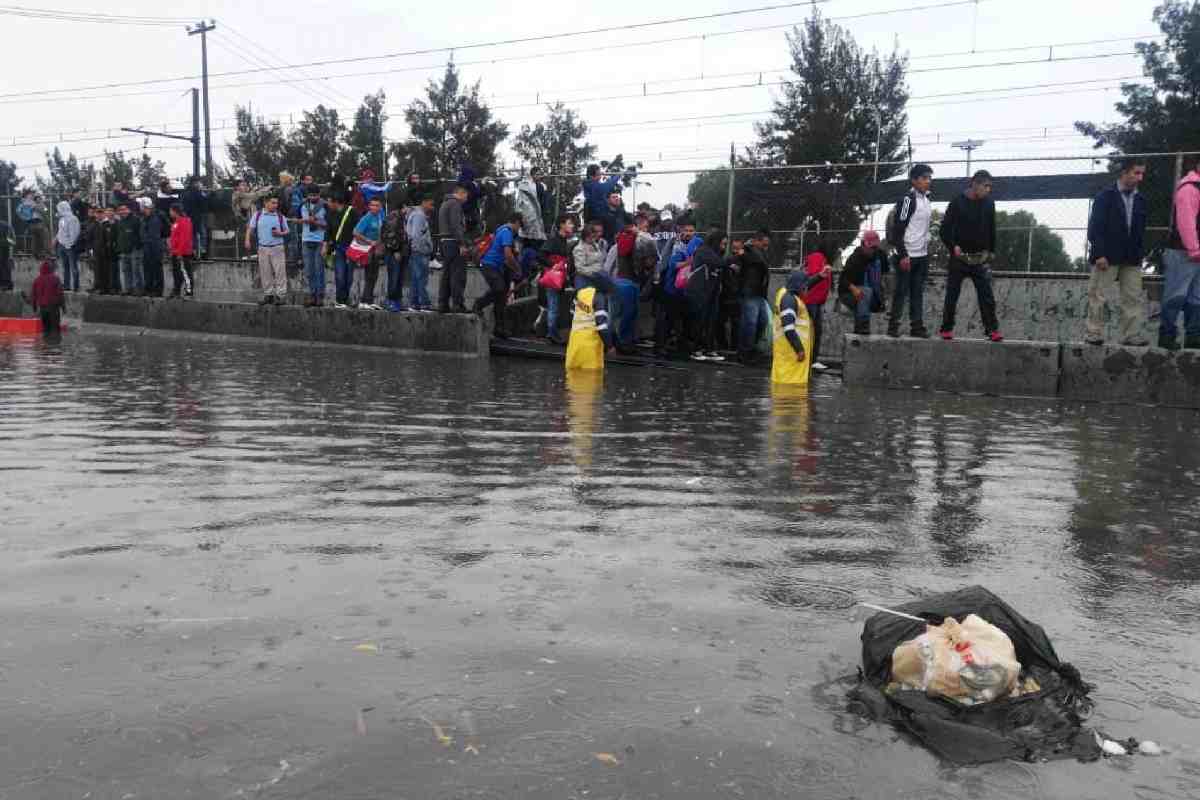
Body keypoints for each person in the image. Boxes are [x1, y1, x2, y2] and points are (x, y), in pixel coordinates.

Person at [1083, 159, 1149, 347]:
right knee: (1098, 295)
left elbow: (1141, 231)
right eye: (1136, 173)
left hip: (1132, 258)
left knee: (1132, 297)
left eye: (1142, 174)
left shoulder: (1140, 199)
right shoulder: (1105, 196)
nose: (1140, 178)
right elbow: (1095, 228)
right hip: (1107, 256)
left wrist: (1139, 256)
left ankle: (1131, 335)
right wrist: (1099, 254)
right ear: (1125, 173)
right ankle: (1093, 333)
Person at [938, 171, 1002, 342]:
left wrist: (991, 250)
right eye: (986, 186)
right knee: (952, 294)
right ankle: (946, 329)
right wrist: (953, 247)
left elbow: (991, 228)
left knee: (986, 295)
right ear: (975, 184)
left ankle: (992, 330)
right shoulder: (957, 202)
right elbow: (943, 230)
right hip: (959, 259)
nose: (988, 190)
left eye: (990, 187)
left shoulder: (989, 203)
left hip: (980, 259)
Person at [888, 163, 934, 338]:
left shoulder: (927, 200)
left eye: (929, 178)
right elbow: (898, 229)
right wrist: (903, 254)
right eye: (924, 178)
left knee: (917, 292)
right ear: (914, 180)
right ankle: (893, 326)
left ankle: (917, 326)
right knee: (901, 292)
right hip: (907, 255)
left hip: (922, 255)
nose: (927, 181)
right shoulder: (907, 200)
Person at [1161, 155, 1200, 351]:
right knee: (1175, 296)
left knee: (1197, 298)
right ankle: (1167, 336)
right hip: (1182, 252)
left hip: (1195, 252)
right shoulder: (1189, 189)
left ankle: (1193, 337)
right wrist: (1194, 249)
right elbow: (1186, 222)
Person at [686, 229, 734, 361]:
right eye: (722, 244)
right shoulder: (704, 251)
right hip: (699, 291)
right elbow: (719, 263)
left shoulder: (716, 253)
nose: (724, 247)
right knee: (699, 321)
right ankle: (695, 349)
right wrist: (735, 256)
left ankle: (709, 349)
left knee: (711, 321)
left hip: (711, 292)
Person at [474, 213, 522, 337]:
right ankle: (479, 304)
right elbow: (508, 255)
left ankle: (499, 329)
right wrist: (517, 268)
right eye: (519, 226)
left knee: (501, 298)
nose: (519, 229)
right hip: (489, 264)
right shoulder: (507, 232)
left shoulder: (501, 230)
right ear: (516, 222)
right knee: (499, 289)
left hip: (495, 266)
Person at [772, 270, 822, 386]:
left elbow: (803, 283)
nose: (807, 289)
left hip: (789, 355)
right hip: (792, 354)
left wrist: (819, 276)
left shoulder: (789, 295)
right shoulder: (789, 300)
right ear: (799, 286)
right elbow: (788, 327)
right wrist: (799, 349)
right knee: (789, 390)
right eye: (804, 286)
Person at [536, 214, 576, 344]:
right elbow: (540, 255)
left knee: (554, 305)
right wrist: (553, 265)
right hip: (553, 278)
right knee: (553, 305)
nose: (572, 226)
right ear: (562, 225)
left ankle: (548, 331)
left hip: (559, 279)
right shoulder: (554, 240)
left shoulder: (563, 241)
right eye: (569, 223)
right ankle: (551, 333)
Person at [838, 230, 887, 335]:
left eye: (875, 248)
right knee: (865, 292)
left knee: (867, 293)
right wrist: (854, 288)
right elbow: (843, 280)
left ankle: (860, 328)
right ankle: (862, 326)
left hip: (871, 297)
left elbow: (886, 273)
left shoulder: (880, 256)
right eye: (871, 248)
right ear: (864, 245)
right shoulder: (855, 258)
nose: (873, 251)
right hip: (849, 295)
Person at [736, 228, 773, 364]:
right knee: (750, 323)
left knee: (762, 322)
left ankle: (751, 350)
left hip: (758, 294)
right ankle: (745, 352)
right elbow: (750, 260)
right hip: (750, 292)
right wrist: (749, 247)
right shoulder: (748, 251)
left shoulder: (759, 253)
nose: (766, 247)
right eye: (763, 244)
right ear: (756, 241)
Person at [565, 279, 615, 371]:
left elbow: (571, 314)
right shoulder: (599, 297)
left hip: (574, 343)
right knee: (591, 380)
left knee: (573, 377)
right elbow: (601, 326)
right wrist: (610, 346)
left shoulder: (578, 294)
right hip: (590, 346)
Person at [438, 183, 471, 313]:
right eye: (466, 195)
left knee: (446, 274)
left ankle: (443, 303)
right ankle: (458, 304)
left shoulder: (445, 203)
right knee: (458, 275)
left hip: (445, 242)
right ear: (461, 193)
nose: (467, 199)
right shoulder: (455, 204)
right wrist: (462, 243)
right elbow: (455, 226)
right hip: (454, 242)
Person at [248, 196, 288, 306]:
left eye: (276, 203)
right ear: (266, 203)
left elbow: (287, 231)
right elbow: (251, 228)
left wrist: (280, 233)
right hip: (263, 247)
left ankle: (281, 296)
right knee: (265, 272)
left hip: (277, 247)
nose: (275, 205)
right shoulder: (257, 215)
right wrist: (248, 239)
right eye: (273, 203)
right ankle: (268, 294)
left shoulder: (280, 217)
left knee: (280, 272)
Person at [801, 239, 834, 370]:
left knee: (815, 331)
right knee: (812, 330)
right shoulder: (817, 257)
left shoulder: (822, 258)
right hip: (811, 301)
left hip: (816, 301)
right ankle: (809, 359)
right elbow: (813, 277)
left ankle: (812, 360)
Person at [324, 195, 359, 309]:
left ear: (336, 202)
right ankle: (340, 300)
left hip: (350, 248)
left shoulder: (352, 211)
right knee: (339, 275)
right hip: (338, 249)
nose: (328, 204)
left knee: (349, 276)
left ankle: (346, 297)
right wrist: (325, 245)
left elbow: (358, 229)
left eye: (329, 202)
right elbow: (328, 231)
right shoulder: (330, 214)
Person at [353, 197, 385, 310]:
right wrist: (369, 241)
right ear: (369, 206)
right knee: (369, 275)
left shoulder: (380, 217)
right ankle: (364, 301)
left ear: (380, 207)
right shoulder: (367, 218)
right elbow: (356, 232)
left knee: (374, 275)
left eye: (377, 205)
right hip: (367, 251)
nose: (374, 207)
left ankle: (369, 300)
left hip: (376, 251)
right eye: (372, 205)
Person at [299, 186, 327, 307]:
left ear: (319, 195)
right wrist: (311, 220)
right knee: (309, 270)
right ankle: (312, 295)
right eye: (310, 195)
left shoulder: (325, 206)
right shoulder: (304, 205)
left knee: (319, 269)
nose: (312, 198)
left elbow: (327, 224)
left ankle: (320, 295)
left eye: (315, 195)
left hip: (319, 241)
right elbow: (304, 220)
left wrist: (315, 221)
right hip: (306, 240)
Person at [406, 194, 435, 312]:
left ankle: (414, 303)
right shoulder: (419, 216)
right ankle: (424, 303)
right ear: (424, 202)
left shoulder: (417, 215)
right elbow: (416, 235)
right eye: (431, 204)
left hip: (417, 251)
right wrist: (421, 249)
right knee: (421, 278)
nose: (432, 207)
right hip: (419, 252)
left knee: (415, 278)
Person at [382, 205, 409, 311]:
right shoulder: (393, 217)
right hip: (394, 253)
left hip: (402, 252)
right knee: (394, 278)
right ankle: (391, 301)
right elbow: (389, 236)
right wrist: (396, 251)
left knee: (399, 279)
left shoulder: (402, 217)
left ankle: (397, 301)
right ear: (405, 206)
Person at [573, 219, 611, 293]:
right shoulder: (579, 248)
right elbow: (580, 268)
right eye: (591, 237)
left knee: (600, 302)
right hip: (584, 282)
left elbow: (601, 261)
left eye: (594, 236)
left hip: (598, 281)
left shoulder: (596, 245)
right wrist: (595, 272)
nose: (593, 239)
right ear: (585, 236)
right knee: (587, 303)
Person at [30, 259, 65, 337]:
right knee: (55, 330)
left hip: (43, 308)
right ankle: (55, 346)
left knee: (45, 330)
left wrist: (34, 308)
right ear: (51, 269)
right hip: (54, 308)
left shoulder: (37, 280)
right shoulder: (56, 279)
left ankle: (46, 346)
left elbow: (33, 296)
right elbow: (60, 295)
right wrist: (63, 308)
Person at [139, 198, 165, 297]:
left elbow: (154, 235)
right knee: (147, 269)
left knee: (156, 269)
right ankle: (148, 288)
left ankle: (158, 290)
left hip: (155, 247)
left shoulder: (155, 218)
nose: (144, 210)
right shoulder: (144, 219)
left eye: (146, 208)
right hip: (147, 247)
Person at [167, 204, 195, 299]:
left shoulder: (184, 222)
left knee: (186, 272)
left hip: (182, 253)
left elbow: (184, 238)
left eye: (171, 211)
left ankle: (189, 292)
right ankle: (176, 291)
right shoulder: (176, 222)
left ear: (175, 211)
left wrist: (180, 252)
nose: (170, 213)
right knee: (177, 273)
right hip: (175, 252)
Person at [115, 204, 143, 296]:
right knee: (126, 271)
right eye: (120, 210)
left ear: (129, 209)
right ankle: (128, 288)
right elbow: (119, 236)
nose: (122, 211)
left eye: (124, 209)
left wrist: (137, 246)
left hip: (134, 250)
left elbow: (140, 235)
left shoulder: (136, 220)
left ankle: (138, 289)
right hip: (123, 250)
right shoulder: (120, 222)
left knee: (136, 271)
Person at [55, 200, 81, 292]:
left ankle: (76, 286)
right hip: (62, 246)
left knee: (74, 267)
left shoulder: (73, 218)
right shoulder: (61, 219)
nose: (58, 211)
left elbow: (75, 233)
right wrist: (57, 239)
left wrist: (69, 244)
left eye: (59, 209)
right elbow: (60, 231)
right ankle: (66, 285)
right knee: (65, 267)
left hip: (70, 247)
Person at [91, 207, 118, 295]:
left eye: (101, 212)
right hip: (99, 251)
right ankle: (102, 287)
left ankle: (111, 288)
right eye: (97, 213)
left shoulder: (111, 223)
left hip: (110, 251)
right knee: (100, 270)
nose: (99, 214)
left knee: (109, 271)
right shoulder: (97, 224)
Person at [181, 177, 209, 259]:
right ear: (195, 183)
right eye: (198, 182)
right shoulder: (198, 193)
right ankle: (202, 252)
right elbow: (203, 203)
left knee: (192, 236)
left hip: (189, 217)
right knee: (202, 234)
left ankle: (192, 252)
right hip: (198, 217)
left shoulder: (186, 193)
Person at [17, 190, 47, 258]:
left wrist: (40, 205)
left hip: (36, 221)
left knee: (37, 238)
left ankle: (38, 253)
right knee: (37, 238)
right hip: (33, 222)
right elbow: (20, 211)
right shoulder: (27, 203)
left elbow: (44, 210)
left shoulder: (35, 203)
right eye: (30, 195)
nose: (31, 196)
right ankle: (36, 253)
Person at [0, 217, 13, 291]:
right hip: (5, 249)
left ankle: (4, 283)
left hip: (4, 249)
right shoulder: (6, 225)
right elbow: (12, 240)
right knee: (5, 265)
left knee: (3, 265)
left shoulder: (5, 225)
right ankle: (6, 283)